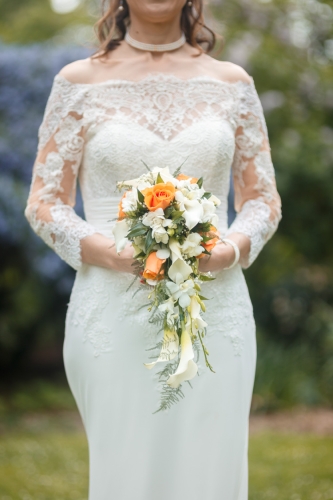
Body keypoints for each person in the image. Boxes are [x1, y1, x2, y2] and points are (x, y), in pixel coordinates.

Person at [25, 0, 282, 498]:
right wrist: (116, 254)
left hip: (214, 308)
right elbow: (44, 204)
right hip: (113, 312)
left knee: (209, 467)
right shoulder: (77, 83)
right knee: (127, 467)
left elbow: (263, 202)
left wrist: (225, 251)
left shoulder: (234, 84)